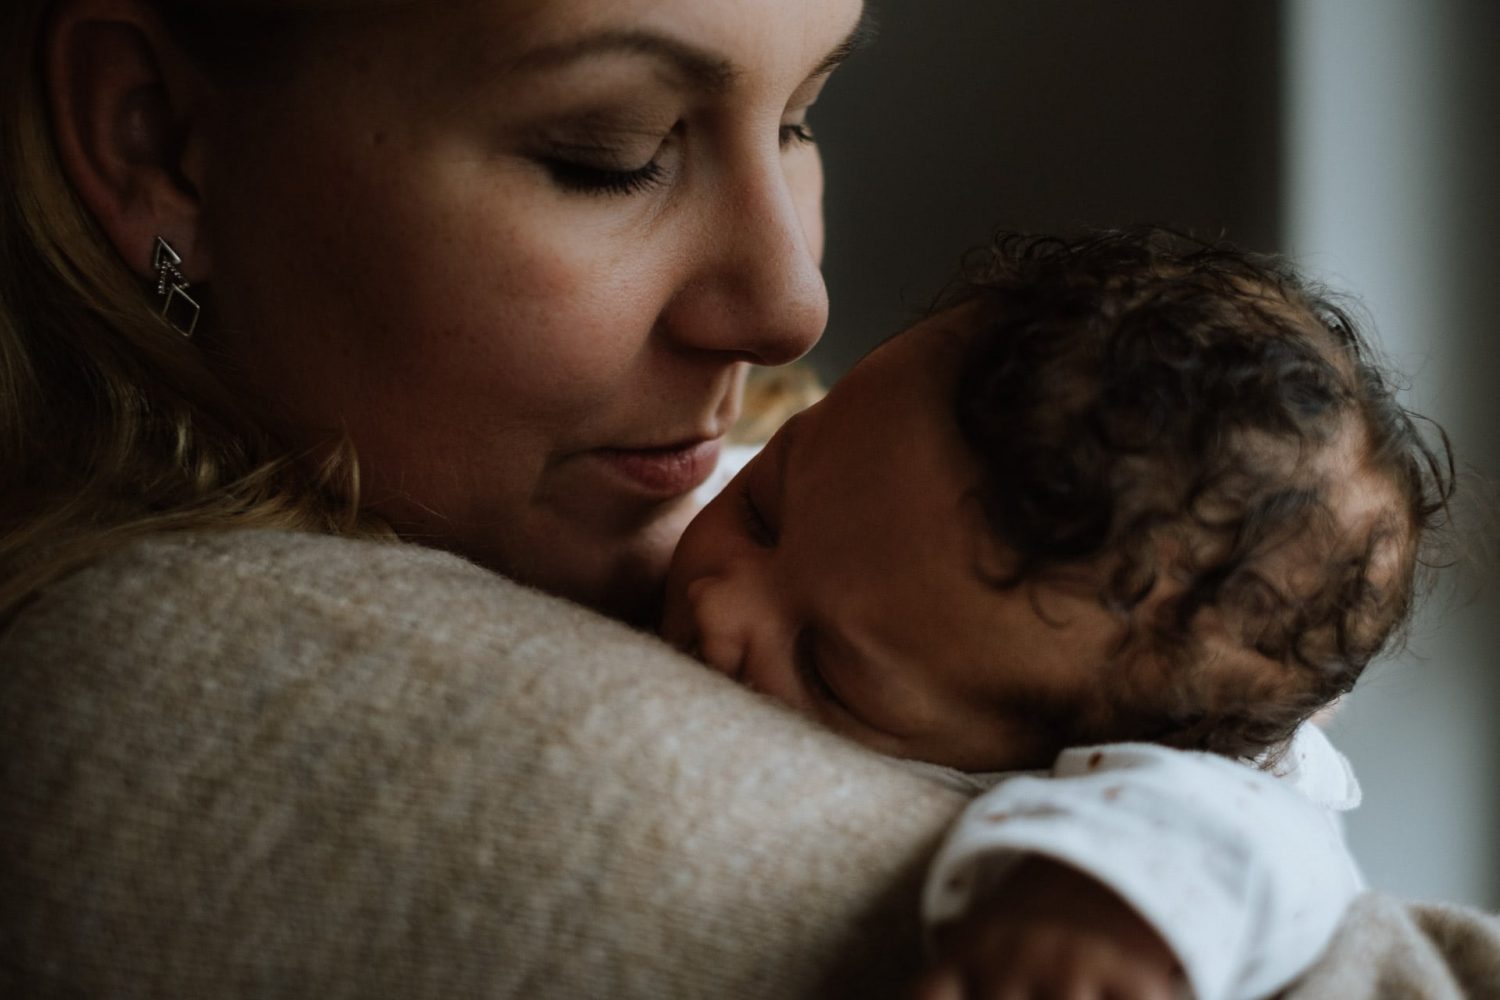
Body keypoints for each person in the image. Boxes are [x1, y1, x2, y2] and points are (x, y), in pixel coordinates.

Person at [0, 2, 1467, 998]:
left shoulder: (1068, 645)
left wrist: (1106, 907)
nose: (792, 303)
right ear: (154, 134)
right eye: (610, 154)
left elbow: (1234, 818)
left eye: (806, 115)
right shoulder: (138, 673)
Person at [662, 228, 1454, 997]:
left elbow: (1259, 840)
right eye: (762, 509)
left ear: (1103, 749)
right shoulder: (845, 502)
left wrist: (1093, 912)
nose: (718, 599)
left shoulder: (1206, 793)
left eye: (828, 671)